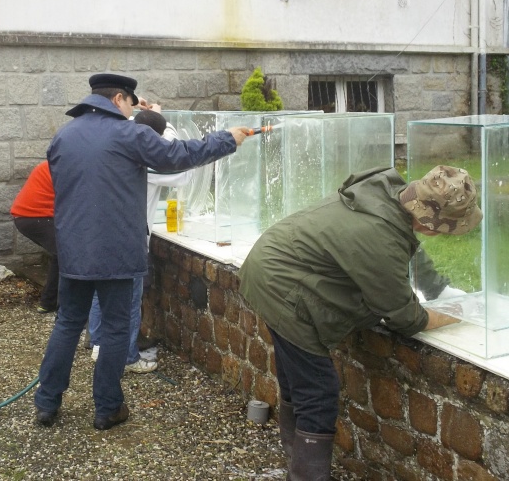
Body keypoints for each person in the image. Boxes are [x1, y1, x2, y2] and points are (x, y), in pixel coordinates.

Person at [33, 73, 249, 431]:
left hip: (72, 250)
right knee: (117, 329)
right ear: (119, 98)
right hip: (117, 252)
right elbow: (177, 156)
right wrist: (228, 139)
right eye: (132, 105)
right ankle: (107, 408)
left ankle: (46, 403)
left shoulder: (64, 135)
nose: (134, 112)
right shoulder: (128, 133)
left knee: (68, 324)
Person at [238, 165, 483, 480]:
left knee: (297, 377)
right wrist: (459, 313)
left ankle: (293, 455)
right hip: (281, 286)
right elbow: (407, 318)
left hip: (269, 264)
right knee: (318, 391)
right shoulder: (379, 236)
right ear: (433, 223)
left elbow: (406, 250)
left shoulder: (386, 197)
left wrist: (442, 291)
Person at [88, 108, 193, 373]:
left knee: (101, 292)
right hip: (129, 240)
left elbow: (135, 125)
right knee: (129, 299)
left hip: (101, 233)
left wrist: (141, 113)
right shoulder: (146, 158)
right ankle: (127, 357)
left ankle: (98, 344)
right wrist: (166, 124)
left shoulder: (116, 147)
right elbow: (182, 171)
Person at [10, 161, 60, 313]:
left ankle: (50, 302)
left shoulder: (54, 163)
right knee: (63, 254)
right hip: (34, 216)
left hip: (27, 216)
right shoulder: (62, 167)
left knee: (62, 253)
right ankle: (50, 302)